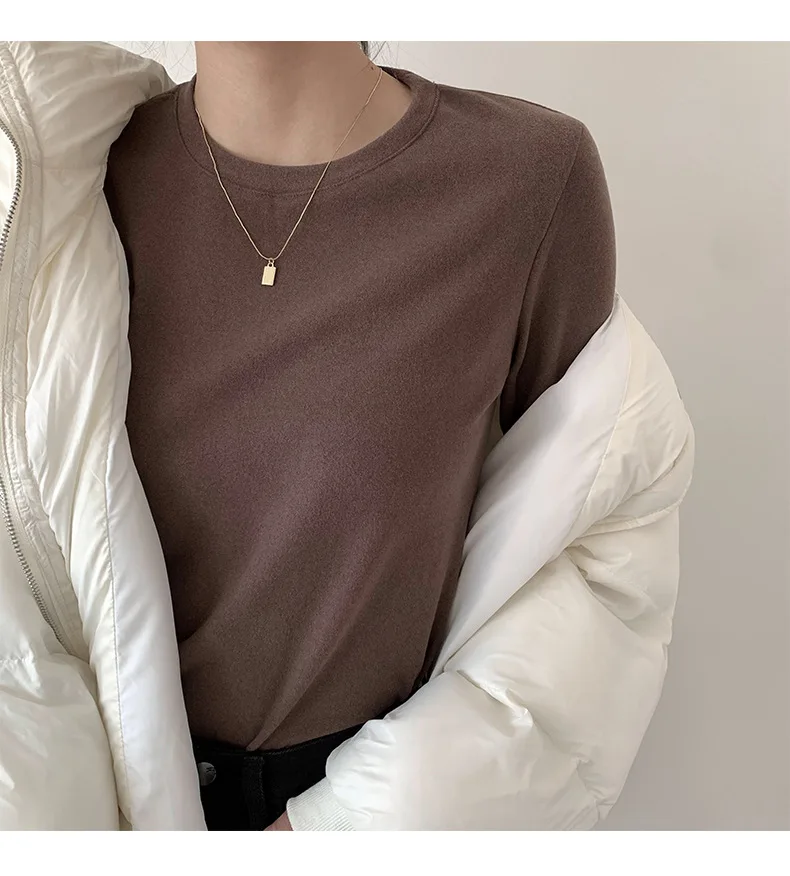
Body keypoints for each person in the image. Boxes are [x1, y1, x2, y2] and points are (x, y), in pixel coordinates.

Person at [0, 40, 694, 831]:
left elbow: (591, 543)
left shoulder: (525, 178)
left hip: (377, 810)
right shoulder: (56, 183)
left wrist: (343, 827)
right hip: (97, 802)